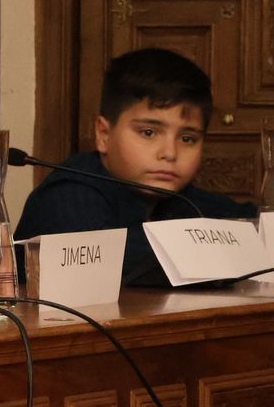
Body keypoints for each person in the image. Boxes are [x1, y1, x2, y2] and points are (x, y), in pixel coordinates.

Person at [15, 48, 256, 286]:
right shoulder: (67, 196)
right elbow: (116, 263)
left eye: (187, 139)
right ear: (103, 134)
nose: (170, 153)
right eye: (148, 133)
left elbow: (257, 230)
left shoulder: (183, 199)